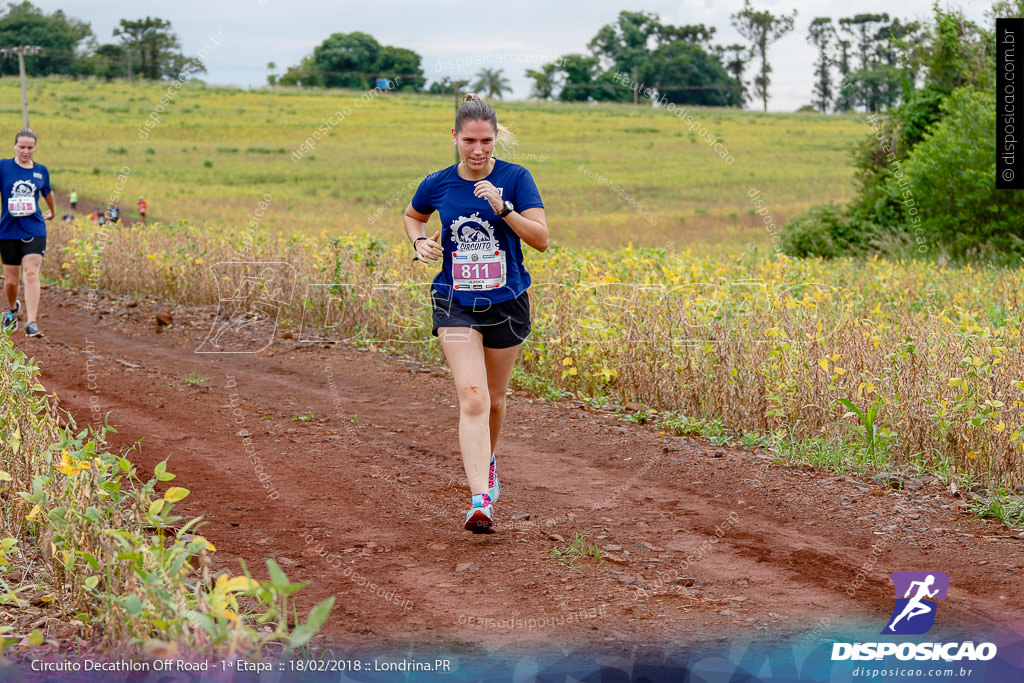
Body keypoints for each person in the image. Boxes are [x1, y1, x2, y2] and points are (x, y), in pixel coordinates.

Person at [404, 94, 549, 533]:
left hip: (506, 302)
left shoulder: (517, 178)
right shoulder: (438, 182)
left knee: (496, 401)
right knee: (473, 397)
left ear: (496, 137)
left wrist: (503, 209)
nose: (478, 149)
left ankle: (487, 464)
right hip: (455, 301)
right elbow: (413, 217)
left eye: (486, 140)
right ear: (455, 137)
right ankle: (479, 501)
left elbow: (541, 239)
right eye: (469, 140)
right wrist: (419, 242)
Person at [1, 129, 55, 338]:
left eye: (30, 148)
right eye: (22, 147)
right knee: (11, 281)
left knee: (31, 273)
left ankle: (32, 322)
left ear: (35, 148)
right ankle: (13, 309)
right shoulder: (3, 167)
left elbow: (47, 192)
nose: (25, 151)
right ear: (14, 146)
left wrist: (53, 211)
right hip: (8, 230)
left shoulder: (41, 171)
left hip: (34, 227)